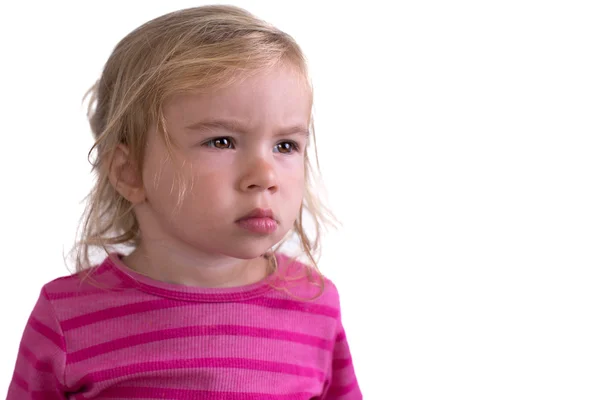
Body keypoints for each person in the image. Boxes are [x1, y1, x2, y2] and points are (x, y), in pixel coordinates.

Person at [7, 5, 361, 399]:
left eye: (286, 145)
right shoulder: (67, 317)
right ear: (129, 172)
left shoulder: (315, 305)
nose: (265, 175)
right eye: (221, 141)